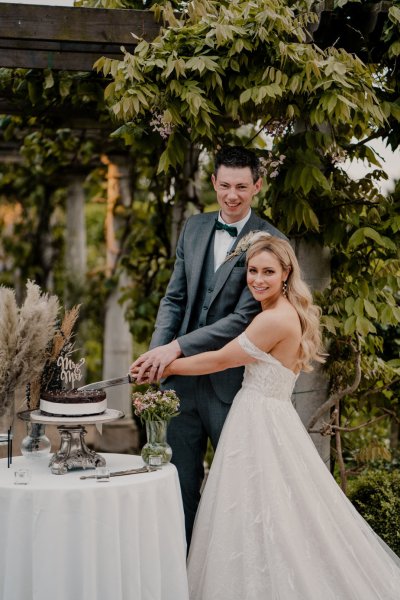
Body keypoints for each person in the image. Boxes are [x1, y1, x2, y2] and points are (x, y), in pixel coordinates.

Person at [138, 233, 400, 600]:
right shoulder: (281, 311)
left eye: (268, 272)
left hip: (259, 421)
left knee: (260, 510)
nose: (257, 279)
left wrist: (164, 364)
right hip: (267, 415)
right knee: (264, 510)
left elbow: (220, 359)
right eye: (252, 270)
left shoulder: (273, 319)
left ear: (286, 273)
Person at [131, 146, 286, 544]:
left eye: (241, 187)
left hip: (230, 385)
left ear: (257, 186)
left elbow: (242, 319)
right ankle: (181, 573)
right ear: (213, 183)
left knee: (237, 489)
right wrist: (155, 353)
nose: (232, 195)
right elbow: (174, 299)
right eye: (224, 185)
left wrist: (175, 349)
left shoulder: (271, 242)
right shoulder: (194, 227)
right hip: (178, 384)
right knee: (177, 483)